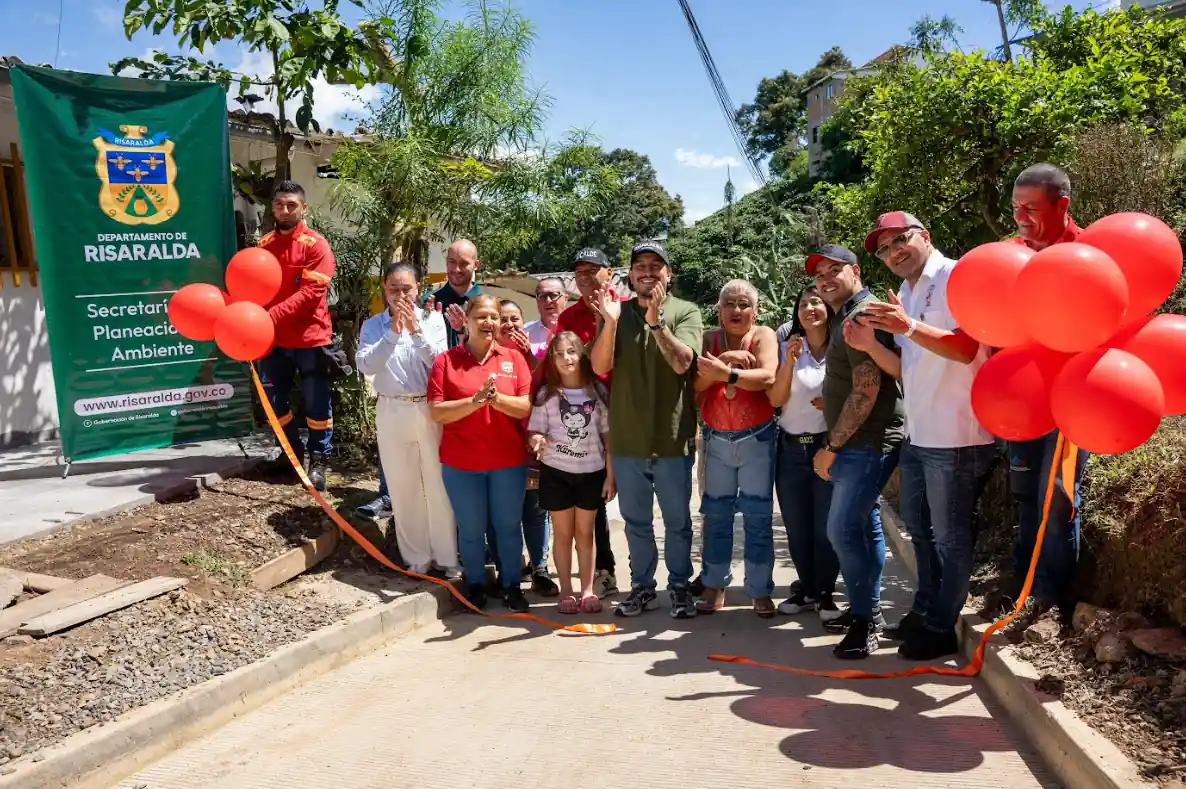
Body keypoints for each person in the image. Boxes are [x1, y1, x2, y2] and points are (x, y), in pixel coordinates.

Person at [852, 212, 997, 660]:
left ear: (925, 236)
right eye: (883, 248)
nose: (893, 251)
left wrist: (908, 327)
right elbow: (910, 369)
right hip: (920, 433)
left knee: (951, 537)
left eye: (900, 239)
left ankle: (941, 626)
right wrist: (874, 346)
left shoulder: (956, 276)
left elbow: (967, 346)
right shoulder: (910, 293)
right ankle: (925, 609)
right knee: (919, 528)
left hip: (957, 433)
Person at [996, 163, 1090, 632]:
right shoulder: (1009, 256)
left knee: (1058, 499)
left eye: (1031, 209)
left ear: (1062, 205)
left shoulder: (1091, 254)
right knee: (1025, 496)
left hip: (1075, 400)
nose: (1021, 218)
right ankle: (1023, 582)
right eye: (1015, 209)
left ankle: (1050, 599)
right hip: (1021, 398)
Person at [590, 240, 703, 619]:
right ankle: (642, 587)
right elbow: (600, 365)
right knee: (636, 522)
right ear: (630, 274)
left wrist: (655, 321)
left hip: (672, 439)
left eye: (657, 265)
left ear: (668, 275)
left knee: (677, 522)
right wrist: (608, 322)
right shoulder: (615, 314)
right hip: (628, 441)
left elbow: (682, 362)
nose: (648, 271)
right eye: (641, 264)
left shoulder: (685, 312)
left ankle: (680, 586)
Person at [810, 243, 905, 659]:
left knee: (841, 529)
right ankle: (866, 610)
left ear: (856, 272)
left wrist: (831, 446)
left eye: (835, 270)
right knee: (865, 527)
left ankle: (867, 621)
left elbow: (867, 391)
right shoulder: (850, 315)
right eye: (818, 275)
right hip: (865, 440)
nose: (825, 280)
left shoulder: (858, 317)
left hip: (865, 443)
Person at [428, 294, 533, 613]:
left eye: (494, 317)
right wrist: (473, 402)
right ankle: (475, 585)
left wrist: (495, 399)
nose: (489, 322)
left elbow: (527, 406)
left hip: (508, 462)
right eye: (481, 316)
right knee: (471, 529)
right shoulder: (446, 361)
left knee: (508, 526)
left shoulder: (513, 359)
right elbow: (436, 411)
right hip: (462, 464)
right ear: (468, 320)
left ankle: (511, 584)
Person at [356, 263, 459, 578]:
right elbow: (366, 364)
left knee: (439, 484)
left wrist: (415, 332)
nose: (400, 296)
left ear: (418, 288)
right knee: (403, 486)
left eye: (407, 289)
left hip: (429, 409)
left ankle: (447, 556)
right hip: (391, 409)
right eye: (393, 290)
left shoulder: (433, 320)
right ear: (384, 290)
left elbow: (440, 363)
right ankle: (416, 556)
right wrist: (393, 333)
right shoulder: (374, 325)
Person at [692, 280, 778, 617]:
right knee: (715, 516)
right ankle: (714, 584)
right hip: (715, 440)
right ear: (719, 309)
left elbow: (767, 377)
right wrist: (729, 361)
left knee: (757, 516)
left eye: (744, 304)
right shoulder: (709, 340)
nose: (737, 310)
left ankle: (758, 589)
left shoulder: (763, 336)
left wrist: (723, 372)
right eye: (730, 303)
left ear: (755, 311)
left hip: (755, 437)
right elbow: (696, 385)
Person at [257, 181, 337, 491]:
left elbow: (312, 292)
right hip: (272, 340)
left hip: (311, 338)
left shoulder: (316, 245)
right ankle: (290, 454)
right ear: (272, 208)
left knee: (317, 405)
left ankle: (319, 460)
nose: (285, 210)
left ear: (304, 208)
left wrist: (270, 316)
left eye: (292, 205)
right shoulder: (262, 247)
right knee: (274, 401)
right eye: (280, 204)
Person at [527, 331, 615, 614]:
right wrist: (536, 441)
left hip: (591, 473)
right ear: (552, 359)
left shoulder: (597, 393)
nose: (566, 358)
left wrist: (611, 477)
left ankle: (587, 590)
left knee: (585, 534)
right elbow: (535, 431)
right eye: (560, 353)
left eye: (572, 351)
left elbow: (608, 439)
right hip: (556, 474)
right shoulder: (546, 395)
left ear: (582, 356)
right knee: (563, 535)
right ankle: (565, 590)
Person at [768, 285, 841, 622]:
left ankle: (826, 594)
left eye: (816, 302)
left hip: (827, 446)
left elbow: (860, 392)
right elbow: (775, 399)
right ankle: (808, 589)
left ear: (828, 308)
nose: (809, 308)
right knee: (796, 528)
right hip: (790, 449)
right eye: (803, 304)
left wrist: (833, 402)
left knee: (825, 526)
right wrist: (790, 362)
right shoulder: (788, 346)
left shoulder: (843, 345)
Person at [555, 248, 620, 599]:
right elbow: (575, 368)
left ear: (608, 273)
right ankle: (604, 571)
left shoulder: (628, 307)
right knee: (593, 498)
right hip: (587, 418)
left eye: (592, 270)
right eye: (578, 271)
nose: (585, 277)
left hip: (627, 413)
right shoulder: (568, 318)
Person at [498, 300, 559, 596]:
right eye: (503, 319)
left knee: (535, 512)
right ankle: (508, 570)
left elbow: (551, 391)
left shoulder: (537, 357)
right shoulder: (489, 358)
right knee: (505, 513)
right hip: (499, 449)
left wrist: (527, 356)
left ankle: (539, 569)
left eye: (515, 319)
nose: (510, 325)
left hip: (533, 446)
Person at [431, 239, 482, 348]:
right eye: (452, 262)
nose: (457, 269)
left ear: (476, 264)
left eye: (464, 263)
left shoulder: (488, 305)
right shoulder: (429, 302)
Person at [524, 277, 569, 360]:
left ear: (565, 299)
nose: (548, 301)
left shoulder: (578, 330)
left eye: (554, 295)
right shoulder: (525, 333)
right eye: (542, 296)